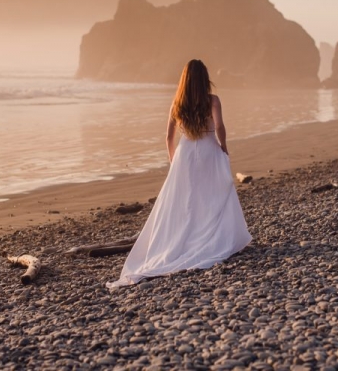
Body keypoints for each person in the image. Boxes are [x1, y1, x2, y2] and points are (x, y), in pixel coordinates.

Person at [107, 59, 251, 288]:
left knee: (186, 200)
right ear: (205, 78)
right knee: (214, 194)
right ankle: (213, 238)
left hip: (185, 153)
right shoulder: (212, 100)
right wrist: (223, 147)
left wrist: (174, 160)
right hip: (208, 149)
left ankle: (186, 239)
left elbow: (168, 137)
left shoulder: (177, 103)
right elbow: (220, 126)